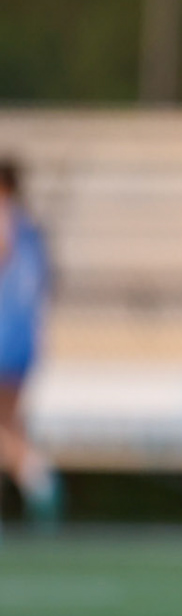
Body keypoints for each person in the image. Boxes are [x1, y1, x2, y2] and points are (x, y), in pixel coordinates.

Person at [0, 157, 58, 533]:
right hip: (24, 342)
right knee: (9, 423)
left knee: (6, 425)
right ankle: (37, 482)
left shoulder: (5, 219)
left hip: (4, 337)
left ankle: (40, 481)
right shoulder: (33, 230)